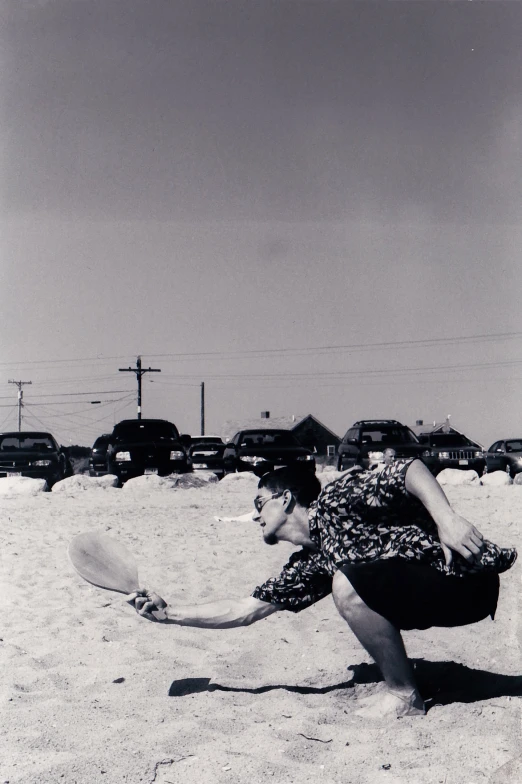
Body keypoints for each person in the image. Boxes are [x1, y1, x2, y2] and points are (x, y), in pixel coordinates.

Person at [127, 458, 517, 718]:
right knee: (342, 579)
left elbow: (408, 468)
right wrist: (170, 614)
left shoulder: (335, 500)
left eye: (259, 503)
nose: (254, 515)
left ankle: (403, 695)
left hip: (465, 579)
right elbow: (244, 608)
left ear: (286, 499)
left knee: (345, 584)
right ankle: (404, 689)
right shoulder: (312, 562)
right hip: (437, 595)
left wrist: (447, 518)